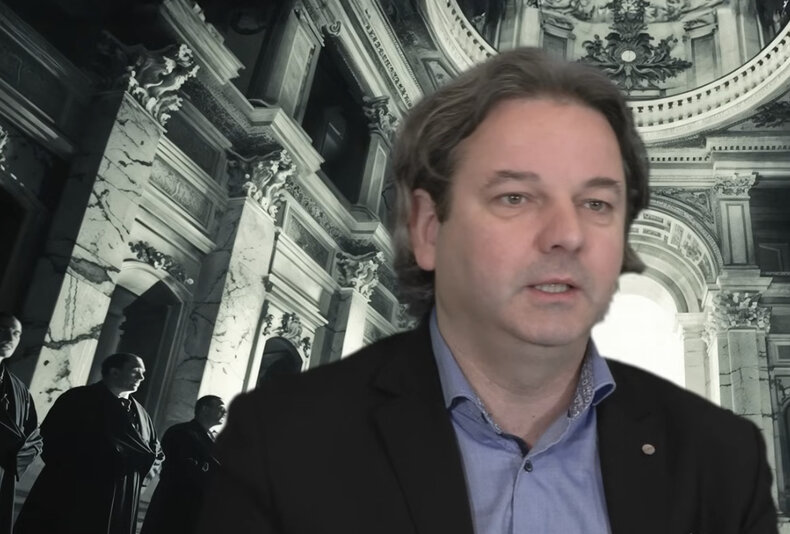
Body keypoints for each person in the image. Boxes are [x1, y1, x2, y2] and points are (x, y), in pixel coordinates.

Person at [198, 48, 778, 534]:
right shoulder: (284, 446)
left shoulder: (725, 461)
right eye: (514, 198)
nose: (565, 236)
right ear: (430, 230)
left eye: (596, 204)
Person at [14, 353, 163, 534]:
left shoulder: (143, 415)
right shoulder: (78, 399)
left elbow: (155, 452)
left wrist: (138, 473)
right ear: (114, 372)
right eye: (136, 371)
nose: (141, 377)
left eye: (143, 373)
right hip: (75, 491)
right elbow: (51, 439)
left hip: (122, 494)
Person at [141, 395, 225, 534]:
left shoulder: (214, 439)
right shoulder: (181, 432)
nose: (225, 412)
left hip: (197, 507)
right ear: (205, 409)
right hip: (177, 504)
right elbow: (184, 470)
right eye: (220, 408)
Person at [0, 313, 41, 534]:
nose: (10, 338)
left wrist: (16, 456)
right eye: (3, 329)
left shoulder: (19, 389)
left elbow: (34, 436)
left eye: (16, 333)